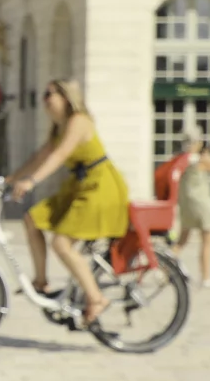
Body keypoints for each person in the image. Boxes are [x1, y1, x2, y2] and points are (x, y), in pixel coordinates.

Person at [8, 79, 130, 327]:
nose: (44, 100)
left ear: (66, 97)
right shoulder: (58, 127)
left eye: (49, 94)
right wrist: (11, 179)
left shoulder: (79, 121)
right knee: (32, 218)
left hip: (99, 187)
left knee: (62, 244)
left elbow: (59, 155)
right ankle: (41, 281)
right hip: (78, 186)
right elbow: (40, 156)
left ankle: (96, 298)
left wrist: (30, 182)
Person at [174, 126, 210, 290]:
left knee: (182, 240)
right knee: (207, 240)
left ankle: (163, 269)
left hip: (186, 204)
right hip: (201, 204)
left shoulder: (183, 158)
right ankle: (206, 278)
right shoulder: (201, 160)